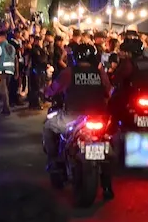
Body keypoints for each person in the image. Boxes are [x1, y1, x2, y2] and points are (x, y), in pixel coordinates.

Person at [43, 43, 115, 201]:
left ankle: (54, 162)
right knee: (106, 145)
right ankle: (108, 186)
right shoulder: (99, 72)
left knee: (48, 127)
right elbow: (109, 91)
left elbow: (51, 90)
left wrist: (47, 89)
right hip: (98, 117)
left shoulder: (69, 72)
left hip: (73, 117)